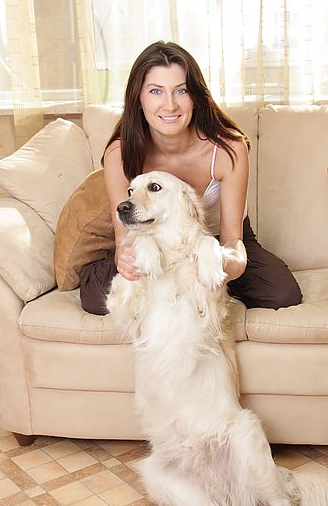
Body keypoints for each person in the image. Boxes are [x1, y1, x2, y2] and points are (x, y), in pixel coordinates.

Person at [80, 41, 302, 315]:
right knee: (93, 299)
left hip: (214, 239)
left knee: (282, 294)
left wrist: (220, 267)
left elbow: (233, 240)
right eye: (156, 91)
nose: (170, 105)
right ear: (139, 98)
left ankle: (203, 287)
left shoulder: (228, 148)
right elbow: (123, 238)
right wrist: (124, 259)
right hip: (151, 238)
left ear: (195, 96)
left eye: (181, 90)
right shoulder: (119, 153)